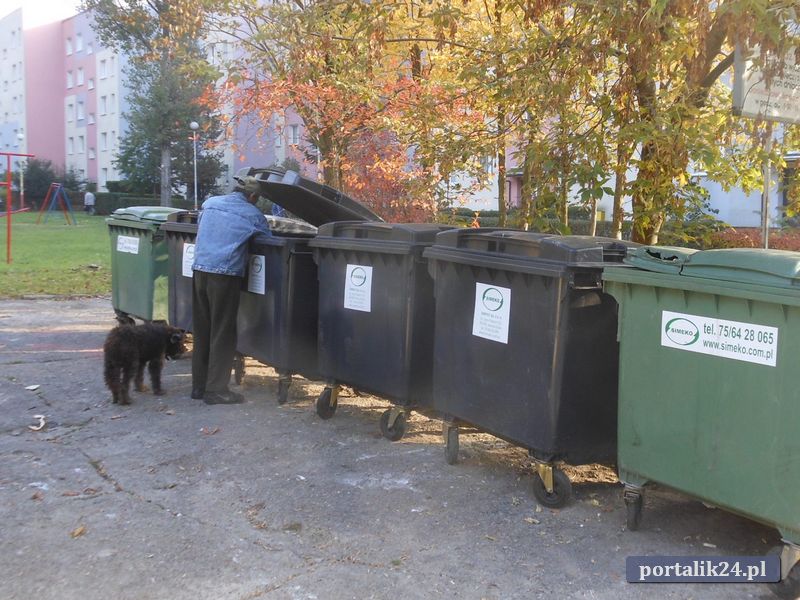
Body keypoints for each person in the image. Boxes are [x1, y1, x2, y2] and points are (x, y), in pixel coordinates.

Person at [191, 176, 272, 404]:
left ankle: (199, 386)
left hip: (199, 270)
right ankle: (216, 389)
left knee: (203, 329)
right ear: (253, 197)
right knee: (223, 332)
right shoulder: (253, 214)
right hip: (224, 275)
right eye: (257, 199)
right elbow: (268, 240)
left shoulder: (210, 203)